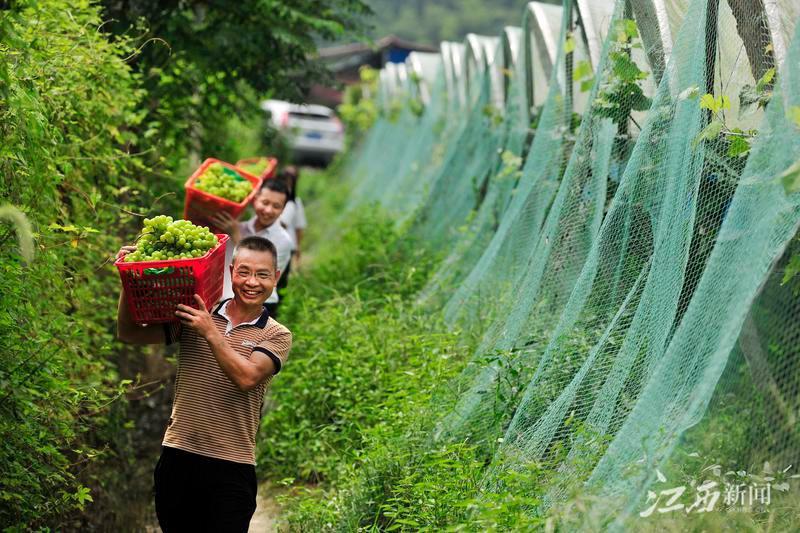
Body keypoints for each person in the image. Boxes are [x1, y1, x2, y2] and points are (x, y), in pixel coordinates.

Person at [116, 236, 292, 532]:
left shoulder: (276, 334)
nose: (252, 282)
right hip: (178, 456)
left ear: (275, 278)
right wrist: (128, 280)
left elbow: (247, 378)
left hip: (232, 466)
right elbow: (129, 333)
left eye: (262, 274)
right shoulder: (198, 312)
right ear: (231, 271)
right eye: (244, 272)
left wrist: (211, 333)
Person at [212, 179, 293, 317]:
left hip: (259, 305)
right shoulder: (236, 227)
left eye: (276, 206)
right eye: (265, 202)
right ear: (255, 199)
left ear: (283, 209)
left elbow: (265, 279)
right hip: (222, 303)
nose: (268, 210)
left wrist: (237, 236)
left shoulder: (283, 240)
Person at [277, 165, 307, 271]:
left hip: (286, 246)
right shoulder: (272, 197)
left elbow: (299, 226)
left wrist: (298, 247)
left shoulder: (294, 203)